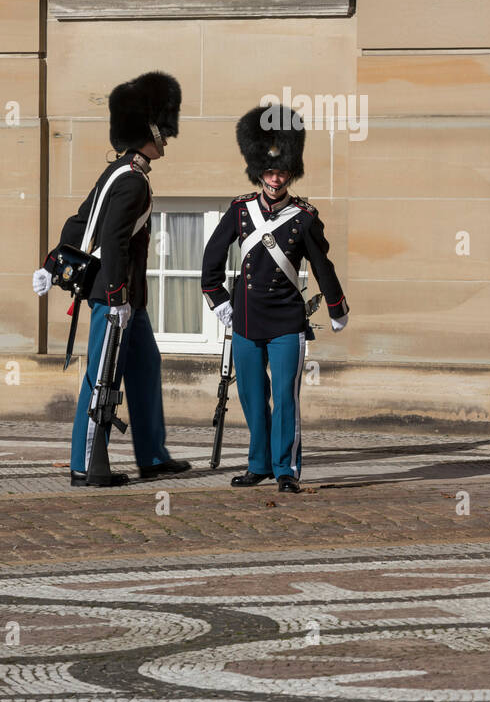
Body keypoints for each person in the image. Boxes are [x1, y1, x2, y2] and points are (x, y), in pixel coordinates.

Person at [32, 71, 190, 488]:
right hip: (115, 295)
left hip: (127, 297)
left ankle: (153, 455)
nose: (166, 139)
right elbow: (113, 241)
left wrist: (52, 262)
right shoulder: (132, 182)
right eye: (162, 131)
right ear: (147, 133)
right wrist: (117, 295)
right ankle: (85, 464)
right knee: (101, 377)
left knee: (146, 365)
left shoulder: (117, 173)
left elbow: (79, 219)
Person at [200, 104, 349, 493]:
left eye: (281, 171)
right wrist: (219, 302)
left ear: (290, 173)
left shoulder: (304, 217)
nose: (275, 177)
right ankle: (259, 464)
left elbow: (322, 265)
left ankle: (286, 469)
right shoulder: (240, 211)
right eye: (268, 171)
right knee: (252, 396)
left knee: (285, 398)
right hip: (247, 319)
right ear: (258, 172)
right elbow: (211, 258)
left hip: (285, 320)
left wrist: (336, 306)